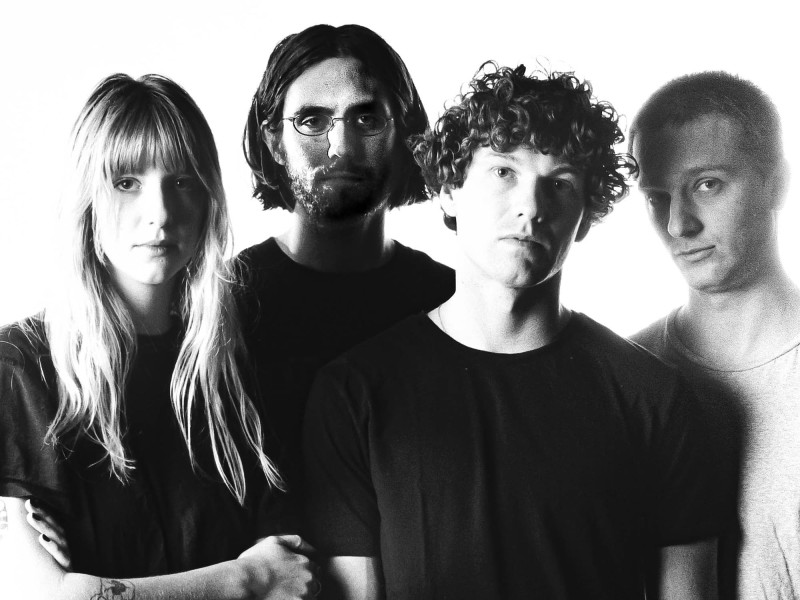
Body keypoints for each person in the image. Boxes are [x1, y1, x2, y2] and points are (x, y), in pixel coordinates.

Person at [301, 64, 724, 599]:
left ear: (585, 217)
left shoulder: (654, 398)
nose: (531, 207)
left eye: (561, 183)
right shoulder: (354, 394)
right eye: (504, 171)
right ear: (448, 192)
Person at [0, 74, 318, 600]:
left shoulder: (237, 362)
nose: (160, 214)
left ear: (209, 199)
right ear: (87, 197)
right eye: (127, 182)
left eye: (182, 182)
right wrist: (246, 577)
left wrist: (97, 586)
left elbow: (292, 578)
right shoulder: (20, 370)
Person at [238, 23, 454, 507]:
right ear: (273, 140)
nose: (341, 147)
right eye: (311, 121)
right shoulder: (221, 305)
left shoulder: (452, 303)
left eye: (366, 118)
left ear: (404, 135)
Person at [630, 71, 800, 598]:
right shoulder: (623, 376)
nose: (679, 225)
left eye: (707, 185)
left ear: (776, 183)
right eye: (657, 197)